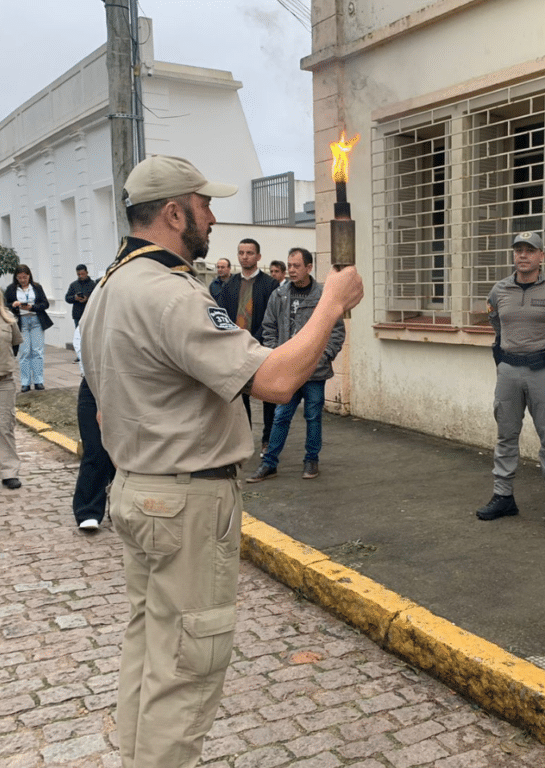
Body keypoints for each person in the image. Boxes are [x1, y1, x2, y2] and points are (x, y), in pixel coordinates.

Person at [79, 154, 363, 768]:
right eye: (205, 204)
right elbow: (278, 379)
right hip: (184, 501)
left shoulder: (110, 287)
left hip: (136, 486)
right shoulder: (170, 295)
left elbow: (101, 405)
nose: (213, 215)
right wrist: (332, 303)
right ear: (175, 211)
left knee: (149, 651)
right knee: (187, 667)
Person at [476, 232, 545, 531]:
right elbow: (496, 322)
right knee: (506, 436)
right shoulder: (499, 291)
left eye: (530, 250)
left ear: (541, 256)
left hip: (543, 372)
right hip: (508, 371)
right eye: (518, 250)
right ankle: (503, 496)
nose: (523, 255)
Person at [247, 247, 345, 483]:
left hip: (314, 371)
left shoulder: (324, 296)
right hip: (286, 371)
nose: (291, 270)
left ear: (309, 268)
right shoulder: (279, 295)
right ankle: (269, 463)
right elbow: (268, 328)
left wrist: (320, 357)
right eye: (289, 265)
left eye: (296, 266)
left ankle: (311, 460)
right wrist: (275, 355)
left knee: (313, 416)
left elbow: (337, 332)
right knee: (280, 416)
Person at [217, 238, 278, 454]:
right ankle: (244, 440)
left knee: (268, 397)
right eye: (241, 252)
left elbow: (273, 318)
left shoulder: (270, 285)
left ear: (258, 257)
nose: (245, 256)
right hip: (236, 350)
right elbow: (222, 317)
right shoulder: (229, 285)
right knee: (239, 399)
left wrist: (257, 341)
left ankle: (268, 440)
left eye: (250, 253)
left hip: (263, 348)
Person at [71, 321, 115, 532]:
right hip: (93, 385)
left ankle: (120, 506)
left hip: (127, 385)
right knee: (95, 449)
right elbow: (86, 359)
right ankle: (88, 509)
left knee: (126, 451)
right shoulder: (89, 322)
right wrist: (100, 402)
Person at [0, 271, 24, 489]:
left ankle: (9, 472)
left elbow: (15, 344)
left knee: (5, 426)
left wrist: (4, 365)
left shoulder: (8, 317)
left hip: (4, 382)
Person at [5, 264, 53, 392]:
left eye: (25, 277)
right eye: (20, 278)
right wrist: (14, 305)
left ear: (29, 276)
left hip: (36, 320)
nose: (23, 280)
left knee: (37, 351)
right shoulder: (11, 289)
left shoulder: (36, 287)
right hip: (22, 322)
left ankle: (38, 381)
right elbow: (5, 305)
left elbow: (45, 304)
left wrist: (32, 307)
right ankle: (25, 382)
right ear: (16, 277)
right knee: (24, 352)